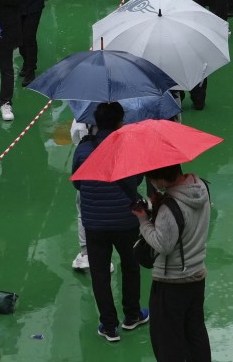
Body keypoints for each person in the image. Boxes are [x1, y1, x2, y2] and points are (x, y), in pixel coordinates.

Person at [71, 103, 149, 343]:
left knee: (100, 273)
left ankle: (108, 325)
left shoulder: (84, 149)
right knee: (130, 267)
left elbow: (78, 182)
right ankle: (132, 315)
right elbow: (136, 180)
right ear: (120, 121)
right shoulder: (130, 146)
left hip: (95, 224)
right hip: (126, 221)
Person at [131, 163, 212, 361]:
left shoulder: (170, 206)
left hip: (171, 283)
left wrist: (144, 220)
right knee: (195, 334)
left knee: (167, 342)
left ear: (159, 177)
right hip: (196, 276)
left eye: (151, 178)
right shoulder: (200, 187)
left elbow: (162, 244)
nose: (151, 182)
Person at [18, 0, 52, 88]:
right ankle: (27, 63)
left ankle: (30, 70)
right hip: (17, 3)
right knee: (19, 38)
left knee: (29, 37)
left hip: (34, 3)